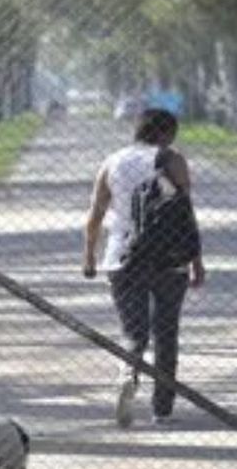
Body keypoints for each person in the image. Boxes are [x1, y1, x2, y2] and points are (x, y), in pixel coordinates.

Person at [82, 108, 206, 427]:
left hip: (123, 255)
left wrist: (90, 257)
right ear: (166, 133)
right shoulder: (172, 159)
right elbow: (184, 213)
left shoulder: (112, 162)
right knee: (166, 333)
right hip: (169, 257)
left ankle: (128, 370)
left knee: (134, 330)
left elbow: (95, 214)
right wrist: (196, 260)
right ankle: (162, 410)